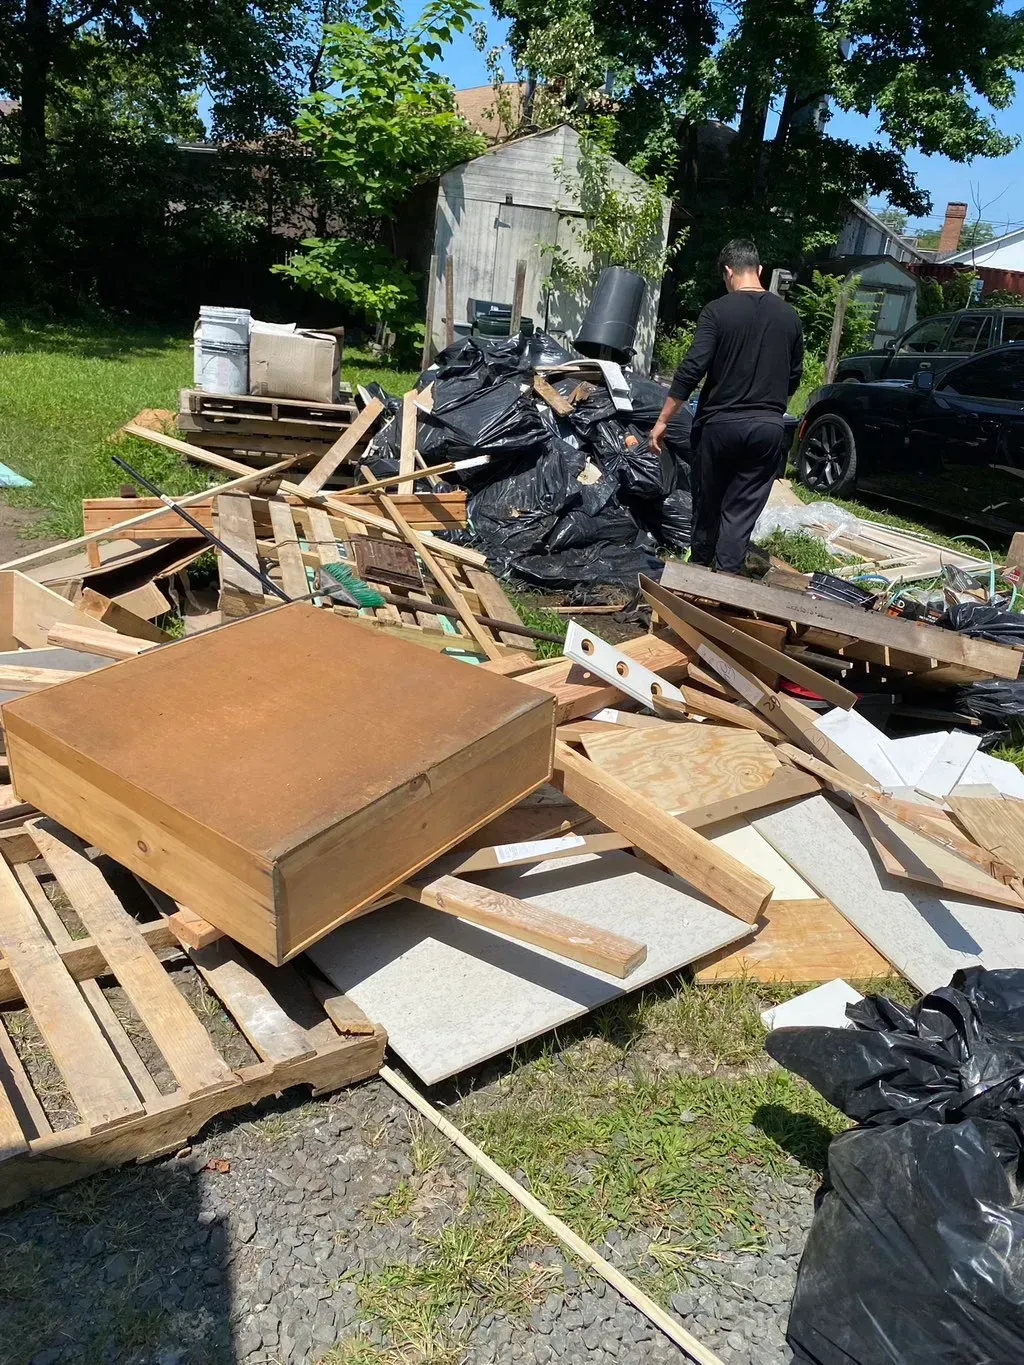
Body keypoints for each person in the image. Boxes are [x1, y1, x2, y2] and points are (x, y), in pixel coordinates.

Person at [650, 239, 803, 575]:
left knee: (707, 506)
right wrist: (768, 408)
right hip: (767, 430)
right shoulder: (789, 317)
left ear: (728, 271)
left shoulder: (718, 311)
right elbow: (794, 376)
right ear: (759, 270)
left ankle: (698, 579)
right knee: (739, 513)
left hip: (718, 428)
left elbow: (693, 367)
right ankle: (725, 590)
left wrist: (663, 421)